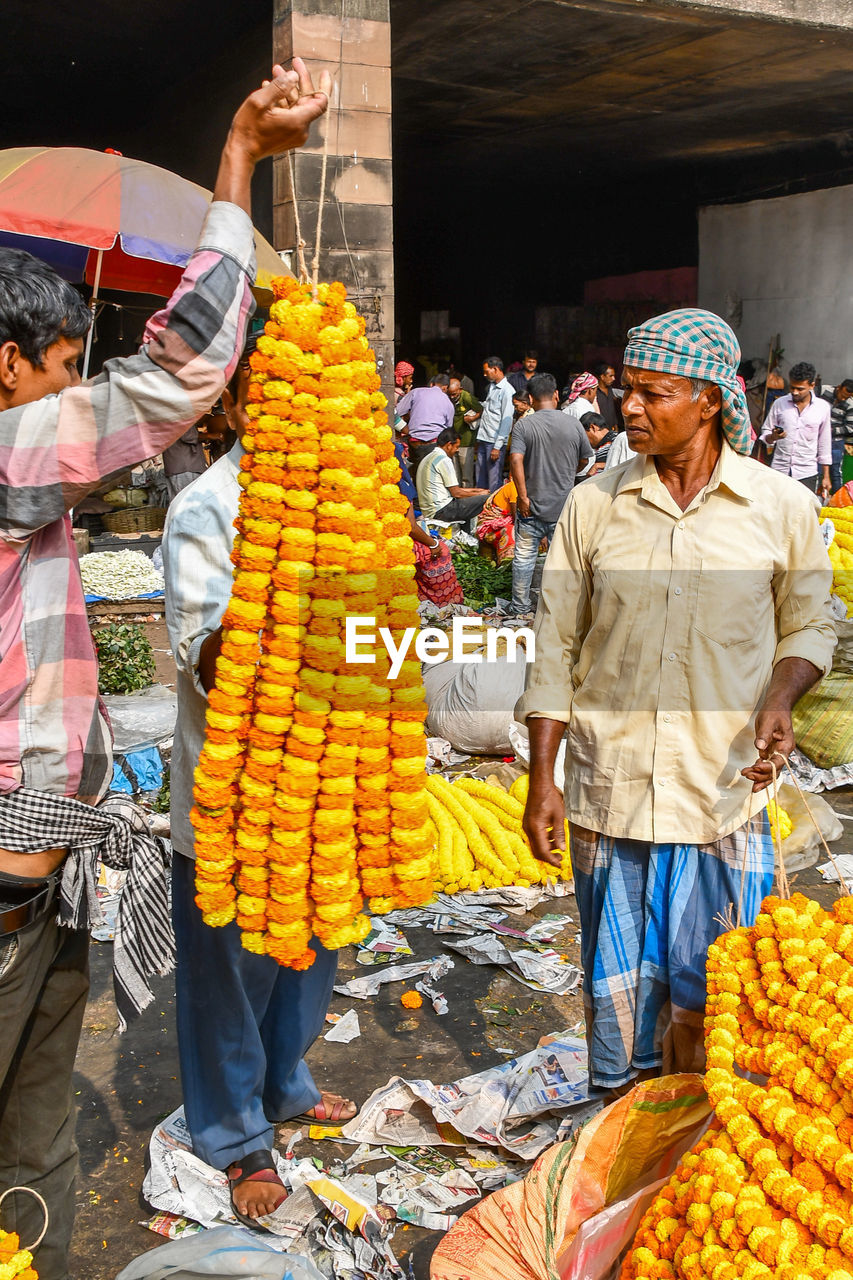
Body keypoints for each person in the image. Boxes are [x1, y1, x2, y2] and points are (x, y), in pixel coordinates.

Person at [0, 59, 329, 1278]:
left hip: (40, 872)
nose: (67, 387)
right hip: (16, 868)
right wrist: (236, 156)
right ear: (6, 370)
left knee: (32, 1144)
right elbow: (175, 370)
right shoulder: (18, 469)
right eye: (53, 364)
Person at [517, 308, 835, 1095]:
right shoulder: (595, 508)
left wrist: (781, 696)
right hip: (610, 794)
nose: (627, 407)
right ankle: (622, 1129)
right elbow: (554, 648)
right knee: (620, 1005)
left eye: (651, 393)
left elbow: (809, 626)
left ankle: (699, 1149)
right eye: (627, 390)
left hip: (719, 795)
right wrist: (542, 778)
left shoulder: (779, 508)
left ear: (708, 402)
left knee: (720, 1003)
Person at [163, 331, 356, 1228]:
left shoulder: (340, 502)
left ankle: (285, 1084)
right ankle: (235, 1133)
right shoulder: (209, 507)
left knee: (308, 952)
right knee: (226, 970)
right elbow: (206, 657)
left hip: (323, 782)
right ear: (239, 409)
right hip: (238, 790)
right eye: (271, 400)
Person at [509, 372, 592, 616]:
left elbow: (515, 460)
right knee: (562, 561)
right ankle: (559, 609)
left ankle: (520, 606)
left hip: (530, 506)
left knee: (523, 559)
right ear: (556, 395)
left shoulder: (524, 424)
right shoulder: (574, 424)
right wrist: (568, 471)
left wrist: (523, 497)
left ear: (531, 399)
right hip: (562, 507)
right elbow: (585, 459)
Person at [759, 360, 832, 497]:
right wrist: (773, 437)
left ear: (812, 385)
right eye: (792, 387)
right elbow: (766, 433)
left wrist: (826, 476)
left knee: (801, 514)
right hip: (779, 470)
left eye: (800, 389)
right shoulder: (779, 404)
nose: (795, 392)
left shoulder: (822, 408)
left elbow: (824, 444)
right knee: (776, 512)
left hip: (807, 473)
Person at [416, 428, 489, 524]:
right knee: (487, 499)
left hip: (431, 510)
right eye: (456, 447)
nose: (457, 450)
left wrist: (477, 490)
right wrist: (480, 494)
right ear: (449, 445)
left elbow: (454, 489)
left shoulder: (428, 457)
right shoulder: (443, 460)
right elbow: (456, 493)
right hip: (442, 510)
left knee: (475, 499)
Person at [396, 372, 455, 478]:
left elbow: (397, 412)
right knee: (431, 477)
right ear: (445, 388)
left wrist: (407, 428)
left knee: (417, 475)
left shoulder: (416, 392)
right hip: (435, 443)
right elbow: (448, 428)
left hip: (415, 443)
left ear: (431, 384)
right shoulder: (448, 402)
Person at [473, 356, 514, 490]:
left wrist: (497, 446)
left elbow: (507, 420)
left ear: (495, 369)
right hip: (484, 438)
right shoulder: (492, 387)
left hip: (494, 441)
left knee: (493, 480)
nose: (485, 374)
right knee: (480, 477)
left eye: (487, 371)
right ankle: (480, 507)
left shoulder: (507, 391)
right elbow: (489, 409)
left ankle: (493, 508)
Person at [445, 375, 482, 485]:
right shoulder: (446, 398)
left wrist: (472, 418)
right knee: (455, 474)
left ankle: (467, 498)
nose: (452, 397)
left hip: (466, 441)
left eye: (454, 394)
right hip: (453, 440)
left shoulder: (467, 397)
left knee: (466, 474)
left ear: (460, 390)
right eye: (450, 394)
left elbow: (481, 410)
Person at [821, 377, 853, 494]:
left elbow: (850, 427)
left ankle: (836, 501)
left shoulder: (850, 403)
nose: (843, 399)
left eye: (847, 397)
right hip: (817, 439)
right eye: (842, 395)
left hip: (835, 442)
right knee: (816, 471)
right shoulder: (823, 390)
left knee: (835, 473)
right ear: (838, 387)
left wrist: (830, 431)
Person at [475, 477, 517, 564]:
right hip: (490, 527)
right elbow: (517, 518)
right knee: (513, 530)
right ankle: (505, 563)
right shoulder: (514, 487)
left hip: (502, 522)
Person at [162, 422, 207, 499]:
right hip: (185, 469)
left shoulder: (168, 417)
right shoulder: (180, 417)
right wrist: (212, 436)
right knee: (188, 503)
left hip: (178, 468)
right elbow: (188, 436)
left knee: (179, 504)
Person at [576, 411, 611, 478]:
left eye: (584, 435)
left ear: (592, 428)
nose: (584, 441)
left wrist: (598, 466)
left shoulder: (618, 440)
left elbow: (625, 464)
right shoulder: (601, 446)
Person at [592, 360, 622, 432]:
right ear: (602, 377)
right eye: (611, 376)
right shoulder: (594, 392)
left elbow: (612, 412)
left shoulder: (611, 391)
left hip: (612, 430)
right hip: (600, 431)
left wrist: (615, 426)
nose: (614, 379)